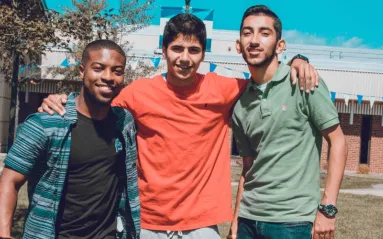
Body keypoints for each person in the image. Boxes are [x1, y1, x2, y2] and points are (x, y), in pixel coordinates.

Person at [37, 14, 319, 239]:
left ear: (203, 55)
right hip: (147, 221)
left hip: (203, 224)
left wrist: (298, 61)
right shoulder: (139, 93)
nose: (185, 57)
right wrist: (63, 100)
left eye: (194, 50)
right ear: (164, 51)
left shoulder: (226, 89)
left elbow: (265, 75)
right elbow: (96, 105)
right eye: (177, 49)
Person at [0, 40, 140, 239]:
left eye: (117, 71)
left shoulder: (123, 122)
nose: (108, 77)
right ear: (82, 71)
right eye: (99, 68)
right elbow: (9, 181)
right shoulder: (45, 123)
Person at [228, 5, 348, 239]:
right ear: (238, 45)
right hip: (248, 220)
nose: (254, 40)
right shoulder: (240, 103)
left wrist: (328, 208)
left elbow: (339, 142)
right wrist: (236, 221)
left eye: (264, 33)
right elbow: (248, 168)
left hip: (293, 221)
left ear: (280, 45)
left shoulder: (304, 82)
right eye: (247, 33)